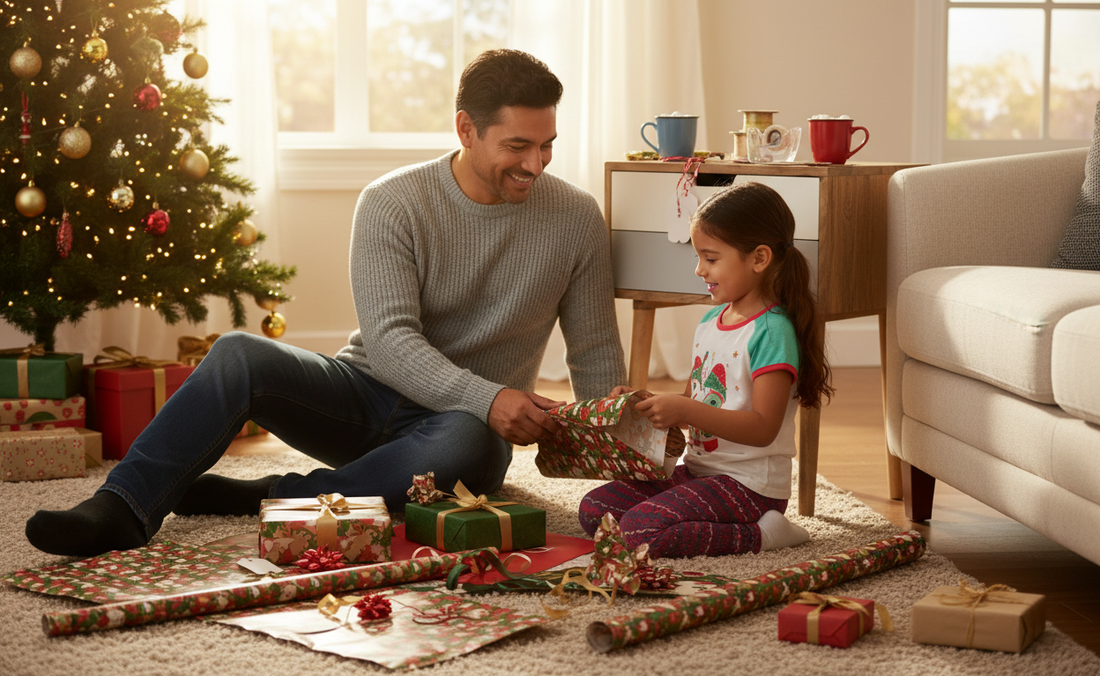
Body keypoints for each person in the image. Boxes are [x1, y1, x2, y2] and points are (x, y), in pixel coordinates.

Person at [27, 49, 627, 558]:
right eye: (518, 146)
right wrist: (490, 397)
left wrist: (619, 455)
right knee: (237, 353)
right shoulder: (393, 201)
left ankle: (278, 495)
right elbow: (390, 344)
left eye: (547, 145)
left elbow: (595, 350)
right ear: (466, 129)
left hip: (459, 429)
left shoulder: (575, 218)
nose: (534, 164)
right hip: (364, 395)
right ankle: (123, 506)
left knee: (470, 443)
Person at [578, 181, 833, 558]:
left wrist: (685, 409)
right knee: (594, 510)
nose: (699, 269)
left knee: (640, 530)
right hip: (700, 472)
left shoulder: (771, 332)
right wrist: (646, 403)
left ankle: (764, 534)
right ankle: (709, 520)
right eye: (698, 257)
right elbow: (693, 405)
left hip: (749, 486)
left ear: (759, 258)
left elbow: (764, 427)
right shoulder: (711, 322)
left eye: (711, 259)